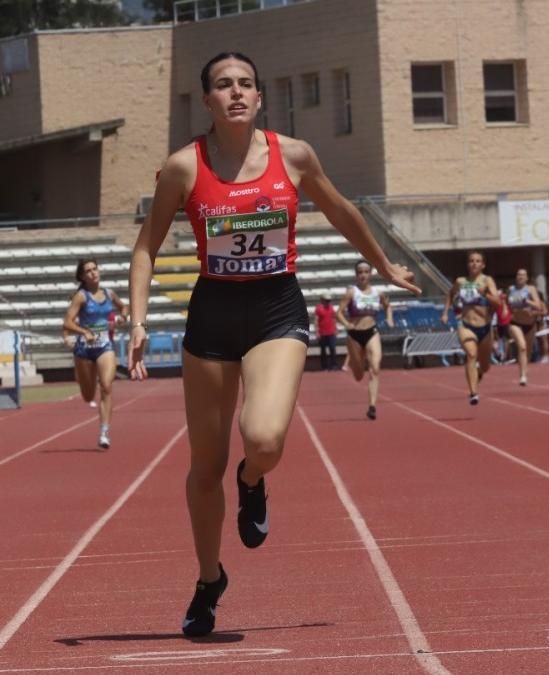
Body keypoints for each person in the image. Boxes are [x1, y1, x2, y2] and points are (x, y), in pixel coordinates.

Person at [126, 52, 419, 638]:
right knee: (203, 469)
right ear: (206, 101)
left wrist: (383, 264)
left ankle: (254, 479)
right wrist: (136, 322)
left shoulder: (296, 156)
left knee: (262, 439)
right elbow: (144, 249)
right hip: (211, 314)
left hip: (276, 307)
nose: (235, 93)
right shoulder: (184, 168)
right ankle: (209, 580)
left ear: (260, 97)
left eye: (245, 85)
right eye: (222, 86)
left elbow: (342, 211)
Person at [63, 258, 127, 449]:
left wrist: (122, 317)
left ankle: (104, 433)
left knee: (106, 386)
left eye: (95, 268)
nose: (93, 273)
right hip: (84, 349)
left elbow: (123, 307)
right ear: (83, 276)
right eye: (88, 271)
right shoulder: (81, 297)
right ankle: (81, 375)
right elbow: (67, 322)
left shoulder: (109, 293)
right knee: (88, 395)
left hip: (104, 346)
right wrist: (84, 332)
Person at [336, 260, 394, 419]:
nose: (363, 275)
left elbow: (388, 306)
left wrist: (389, 319)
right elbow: (339, 312)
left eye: (366, 272)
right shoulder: (351, 292)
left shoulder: (378, 293)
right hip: (354, 335)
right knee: (359, 375)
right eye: (360, 272)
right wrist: (347, 324)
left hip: (372, 332)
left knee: (375, 367)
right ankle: (358, 367)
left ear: (370, 274)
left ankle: (372, 406)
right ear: (356, 275)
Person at [442, 251, 500, 405]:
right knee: (471, 354)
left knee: (486, 366)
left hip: (485, 327)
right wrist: (445, 313)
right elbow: (450, 294)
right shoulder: (460, 281)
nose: (474, 263)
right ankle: (474, 393)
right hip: (466, 325)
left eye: (477, 261)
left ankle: (479, 372)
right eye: (471, 261)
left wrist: (485, 294)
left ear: (483, 265)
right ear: (468, 264)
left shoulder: (487, 281)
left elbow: (498, 303)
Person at [505, 268, 545, 385]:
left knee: (527, 351)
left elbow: (538, 306)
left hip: (529, 324)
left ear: (527, 278)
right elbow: (506, 304)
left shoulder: (530, 289)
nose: (520, 277)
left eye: (523, 275)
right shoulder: (511, 289)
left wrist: (527, 302)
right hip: (515, 323)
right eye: (518, 274)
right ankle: (523, 376)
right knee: (521, 347)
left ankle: (523, 370)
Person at [312, 293, 338, 371]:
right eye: (326, 300)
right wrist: (317, 332)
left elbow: (334, 319)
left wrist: (336, 329)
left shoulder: (331, 307)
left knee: (332, 349)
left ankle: (334, 365)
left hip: (331, 332)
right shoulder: (318, 308)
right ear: (322, 300)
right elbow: (316, 321)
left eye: (329, 300)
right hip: (322, 332)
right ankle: (324, 366)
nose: (328, 302)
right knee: (323, 350)